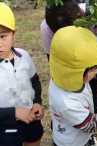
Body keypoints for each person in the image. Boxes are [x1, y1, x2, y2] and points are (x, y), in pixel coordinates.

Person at [41, 0, 97, 114]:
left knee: (91, 98)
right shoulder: (47, 28)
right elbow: (55, 63)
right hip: (69, 77)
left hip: (88, 63)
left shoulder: (96, 17)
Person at [0, 2, 44, 146]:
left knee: (34, 140)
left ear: (14, 33)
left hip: (31, 119)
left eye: (2, 36)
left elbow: (34, 81)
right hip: (5, 127)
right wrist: (13, 113)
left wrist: (37, 102)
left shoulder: (24, 56)